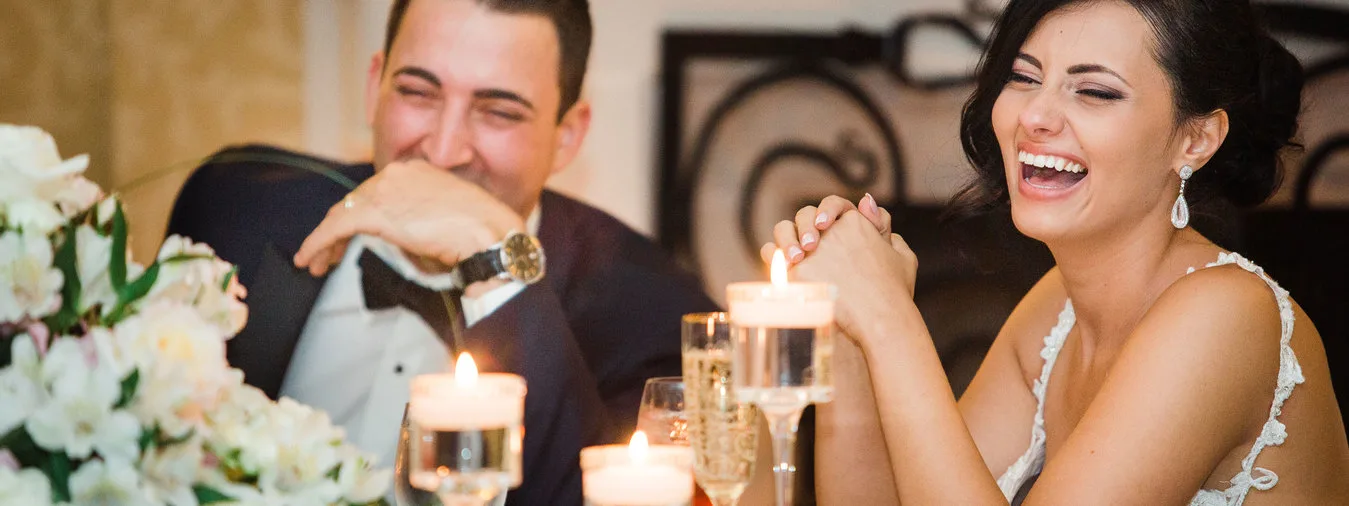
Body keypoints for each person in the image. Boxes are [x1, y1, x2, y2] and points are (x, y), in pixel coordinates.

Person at [767, 0, 1349, 504]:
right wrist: (844, 330)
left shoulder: (1224, 318)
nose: (1035, 116)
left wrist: (890, 319)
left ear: (1195, 139)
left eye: (1095, 91)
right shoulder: (1056, 311)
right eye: (1023, 77)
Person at [166, 0, 717, 503]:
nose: (443, 151)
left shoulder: (653, 315)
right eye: (417, 92)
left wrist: (497, 261)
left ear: (567, 135)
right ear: (374, 88)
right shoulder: (232, 206)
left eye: (499, 111)